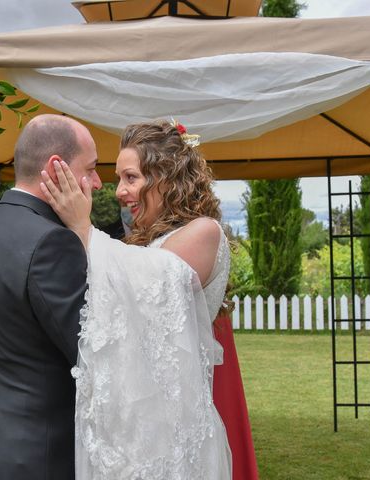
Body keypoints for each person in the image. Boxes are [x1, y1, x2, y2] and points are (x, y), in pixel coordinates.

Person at [41, 120, 233, 479]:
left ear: (166, 177)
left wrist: (83, 228)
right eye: (119, 179)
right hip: (134, 419)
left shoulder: (204, 232)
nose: (118, 191)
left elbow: (149, 287)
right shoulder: (145, 241)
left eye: (131, 178)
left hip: (172, 427)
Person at [0, 114, 101, 480]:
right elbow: (92, 351)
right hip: (40, 453)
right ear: (58, 169)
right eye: (91, 169)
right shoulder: (54, 242)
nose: (99, 183)